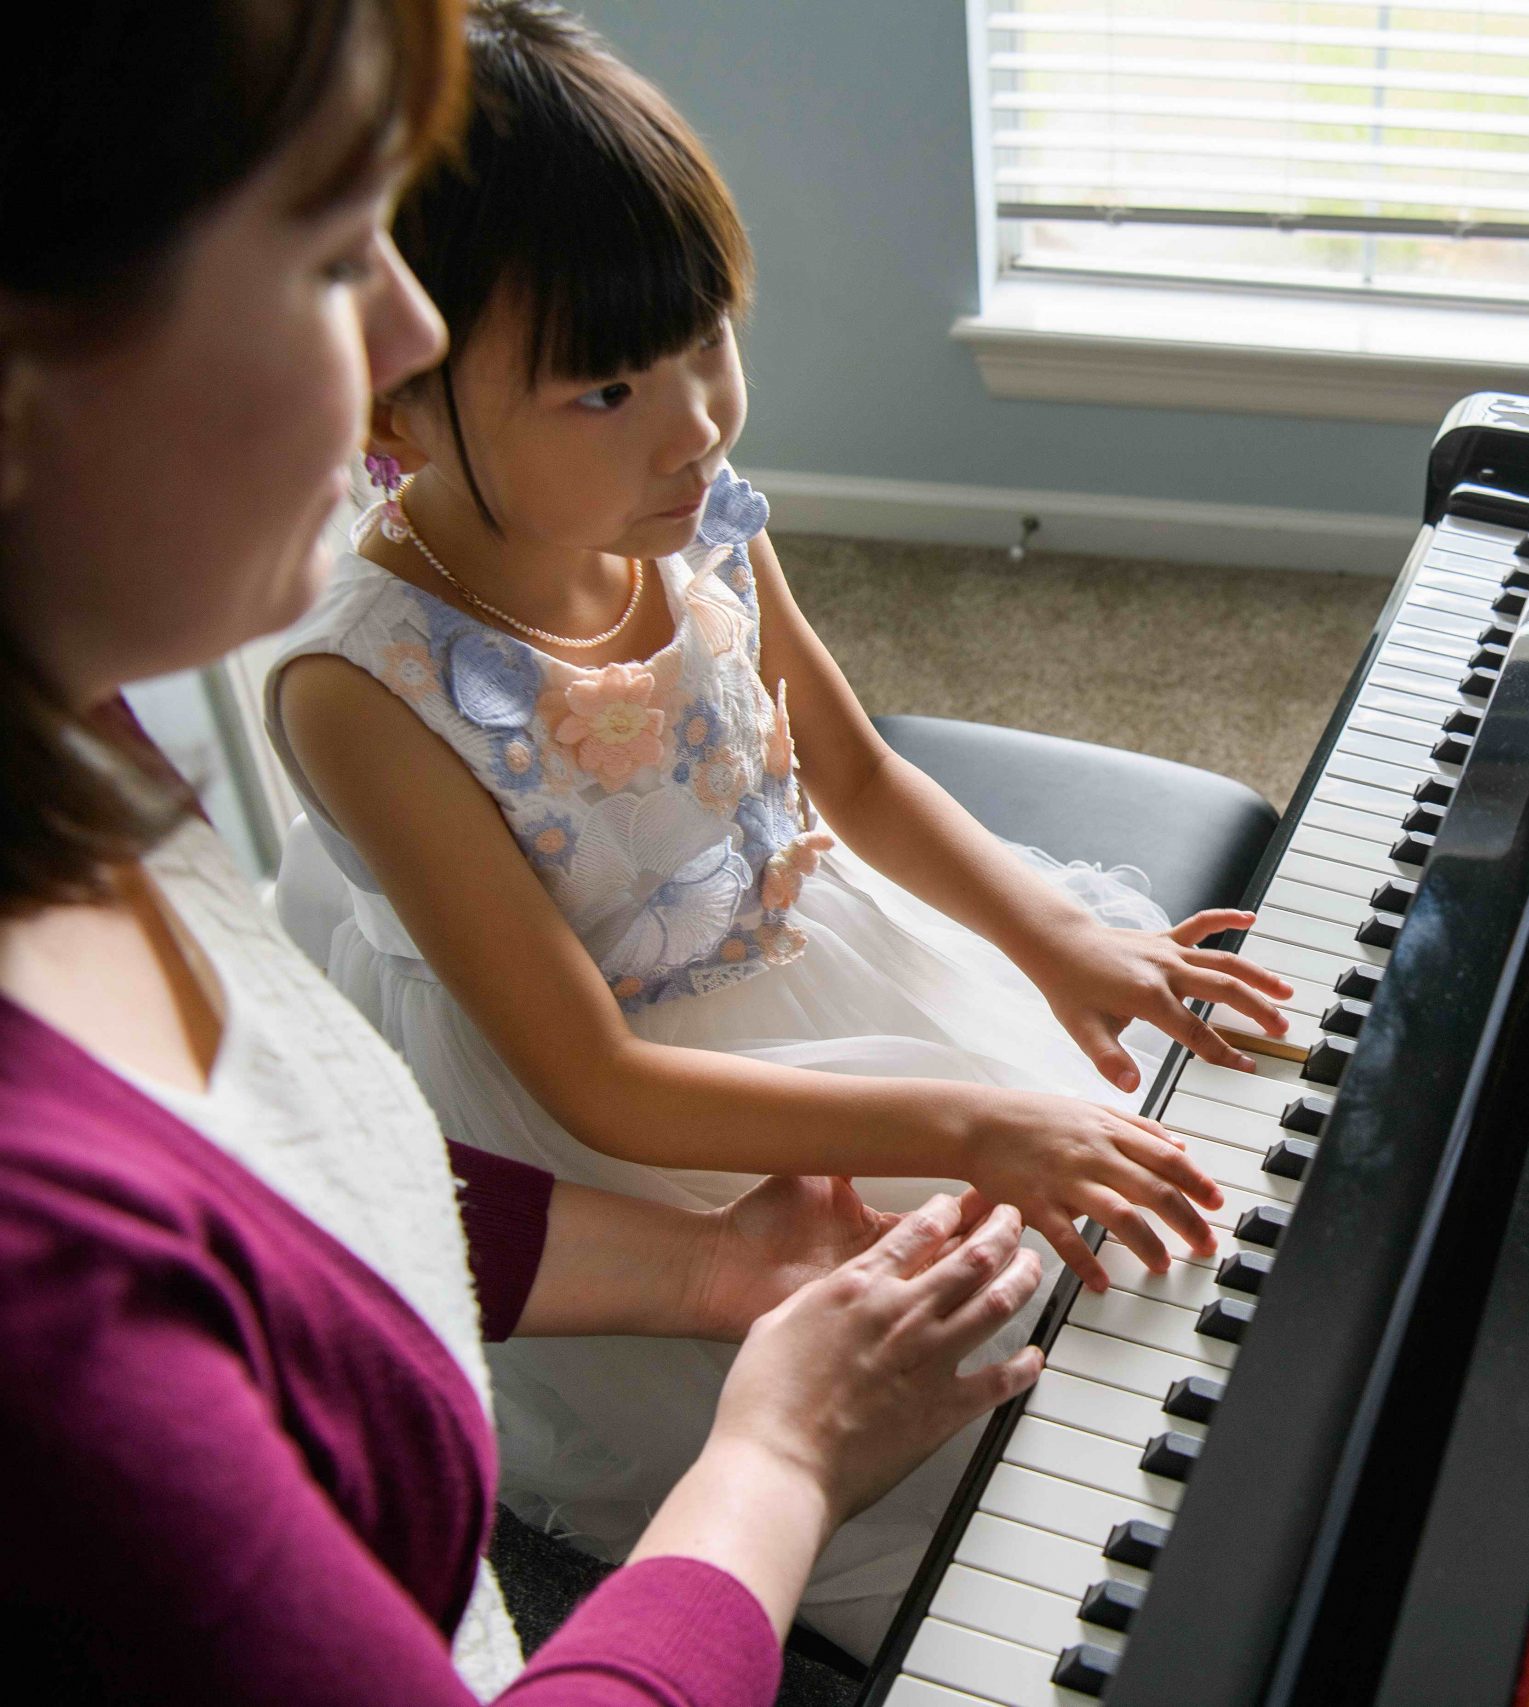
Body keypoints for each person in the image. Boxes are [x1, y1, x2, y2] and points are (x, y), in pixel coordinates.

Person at [0, 0, 1045, 1698]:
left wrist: (714, 1269)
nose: (404, 329)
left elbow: (312, 1160)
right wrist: (777, 1460)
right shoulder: (55, 1314)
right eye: (336, 255)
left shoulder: (76, 752)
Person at [263, 0, 1293, 1651]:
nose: (698, 422)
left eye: (706, 342)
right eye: (607, 385)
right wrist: (963, 1124)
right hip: (636, 1109)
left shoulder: (687, 504)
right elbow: (586, 1074)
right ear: (394, 398)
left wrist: (1058, 938)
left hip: (821, 950)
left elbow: (857, 775)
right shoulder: (362, 689)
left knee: (1148, 1216)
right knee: (983, 1401)